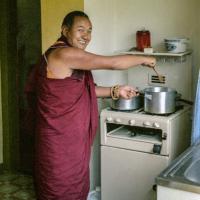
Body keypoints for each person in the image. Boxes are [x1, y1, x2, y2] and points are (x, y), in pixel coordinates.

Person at [25, 10, 156, 200]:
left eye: (89, 31)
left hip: (74, 143)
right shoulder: (63, 54)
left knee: (76, 188)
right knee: (59, 189)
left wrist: (116, 90)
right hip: (58, 144)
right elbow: (112, 63)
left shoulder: (73, 57)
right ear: (65, 30)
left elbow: (85, 90)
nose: (86, 36)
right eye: (80, 30)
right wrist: (145, 58)